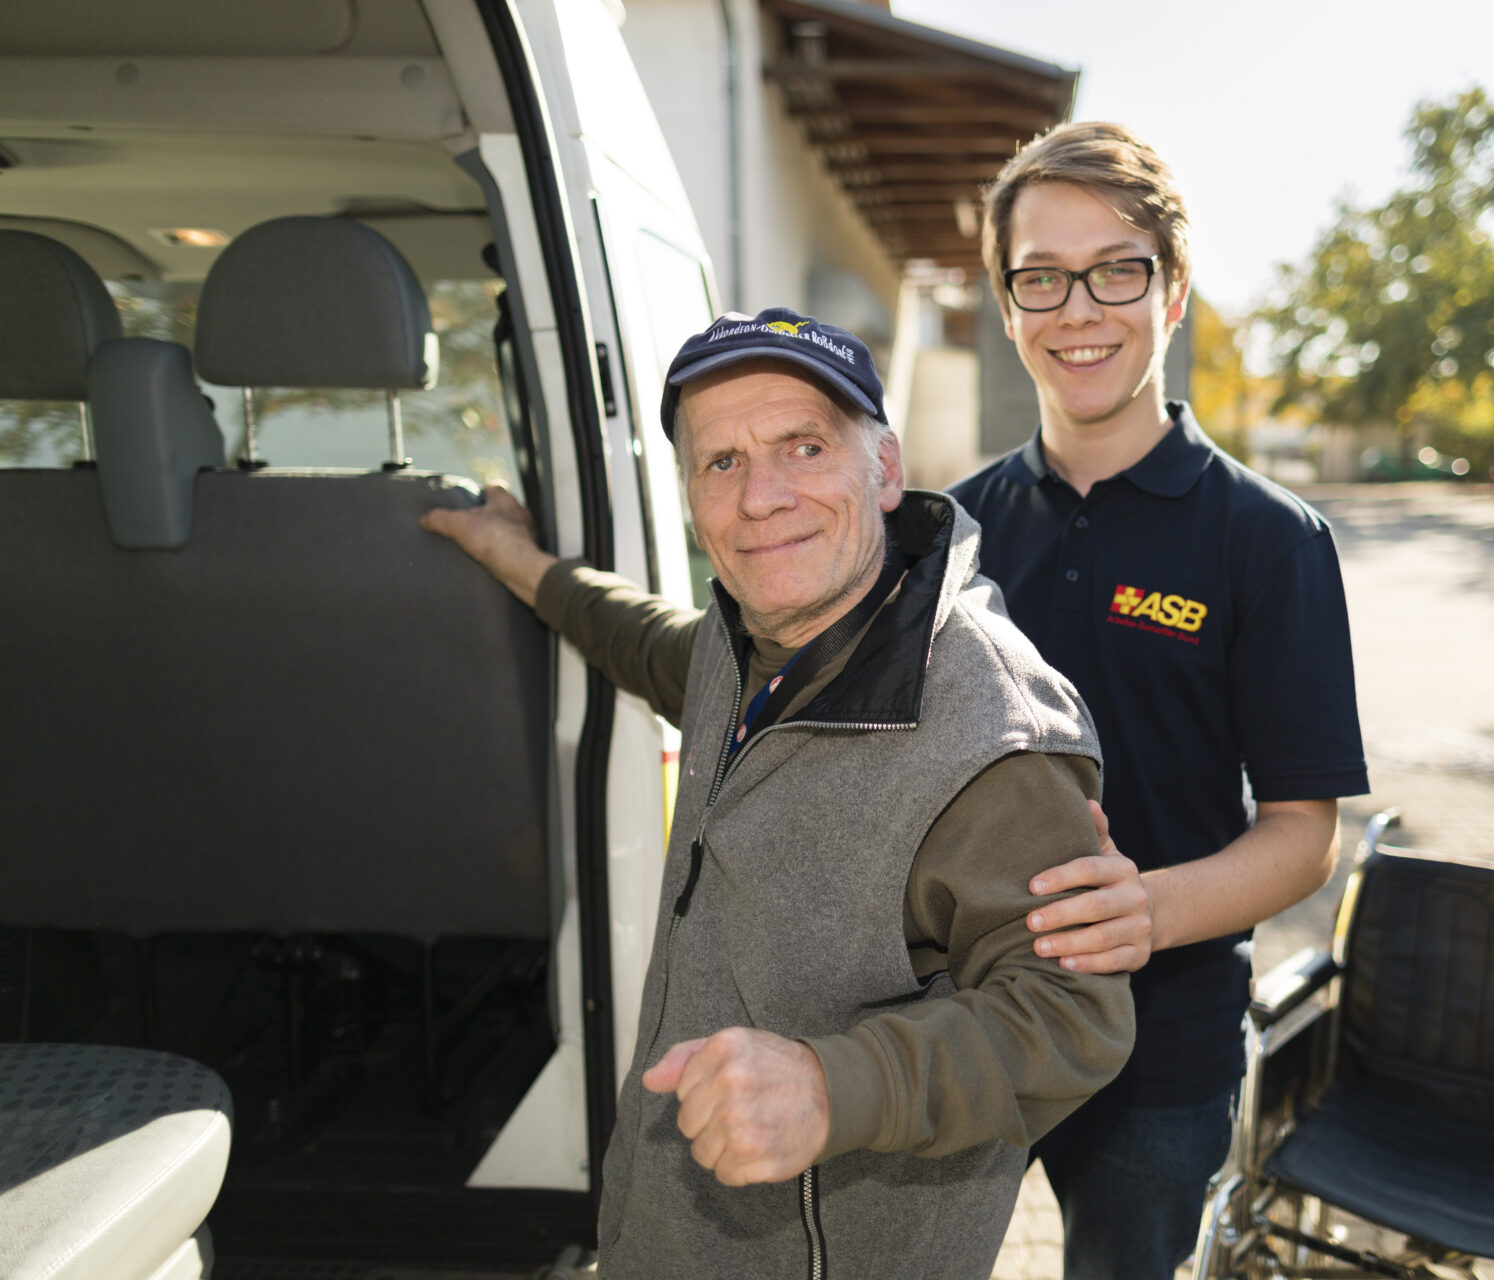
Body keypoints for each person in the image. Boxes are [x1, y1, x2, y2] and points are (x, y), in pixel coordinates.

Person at [422, 308, 1135, 1278]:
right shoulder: (743, 639)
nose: (761, 497)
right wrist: (518, 559)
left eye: (804, 446)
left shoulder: (991, 729)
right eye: (722, 462)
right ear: (690, 496)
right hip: (662, 1228)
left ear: (885, 470)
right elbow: (642, 641)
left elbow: (1072, 1017)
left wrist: (835, 1085)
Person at [950, 122, 1371, 1280]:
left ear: (1173, 292)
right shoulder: (952, 533)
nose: (1079, 309)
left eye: (1117, 271)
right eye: (1042, 276)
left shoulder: (1271, 540)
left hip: (1162, 1048)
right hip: (966, 1021)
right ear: (1008, 304)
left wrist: (1149, 907)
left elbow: (1304, 835)